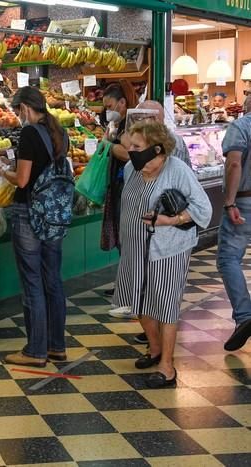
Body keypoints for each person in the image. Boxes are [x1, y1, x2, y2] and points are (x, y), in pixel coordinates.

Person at [115, 121, 211, 388]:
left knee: (166, 305)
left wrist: (171, 220)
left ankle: (167, 367)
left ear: (157, 149)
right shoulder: (131, 169)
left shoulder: (177, 170)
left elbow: (203, 208)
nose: (130, 151)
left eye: (137, 146)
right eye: (130, 145)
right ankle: (154, 348)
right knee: (140, 300)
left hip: (168, 250)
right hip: (135, 247)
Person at [0, 87, 69, 367]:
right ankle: (57, 347)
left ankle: (35, 351)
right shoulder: (59, 132)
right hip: (54, 214)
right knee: (52, 278)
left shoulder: (29, 132)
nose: (18, 117)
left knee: (32, 282)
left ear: (25, 107)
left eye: (18, 111)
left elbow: (23, 179)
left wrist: (3, 170)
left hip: (30, 212)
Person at [109, 101, 194, 324]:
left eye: (148, 118)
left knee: (163, 293)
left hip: (170, 234)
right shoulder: (136, 159)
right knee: (144, 287)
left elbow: (194, 199)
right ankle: (153, 341)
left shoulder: (172, 149)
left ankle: (162, 347)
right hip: (144, 233)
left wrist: (176, 218)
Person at [217, 112, 251, 351]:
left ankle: (245, 315)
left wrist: (230, 202)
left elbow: (234, 162)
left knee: (228, 258)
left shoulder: (241, 126)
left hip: (244, 201)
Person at [100, 81, 137, 297]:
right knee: (121, 237)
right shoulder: (118, 124)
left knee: (125, 237)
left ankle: (129, 288)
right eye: (105, 107)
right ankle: (125, 284)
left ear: (122, 103)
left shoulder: (130, 126)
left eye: (110, 105)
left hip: (126, 186)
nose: (108, 110)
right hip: (117, 186)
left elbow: (128, 154)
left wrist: (108, 145)